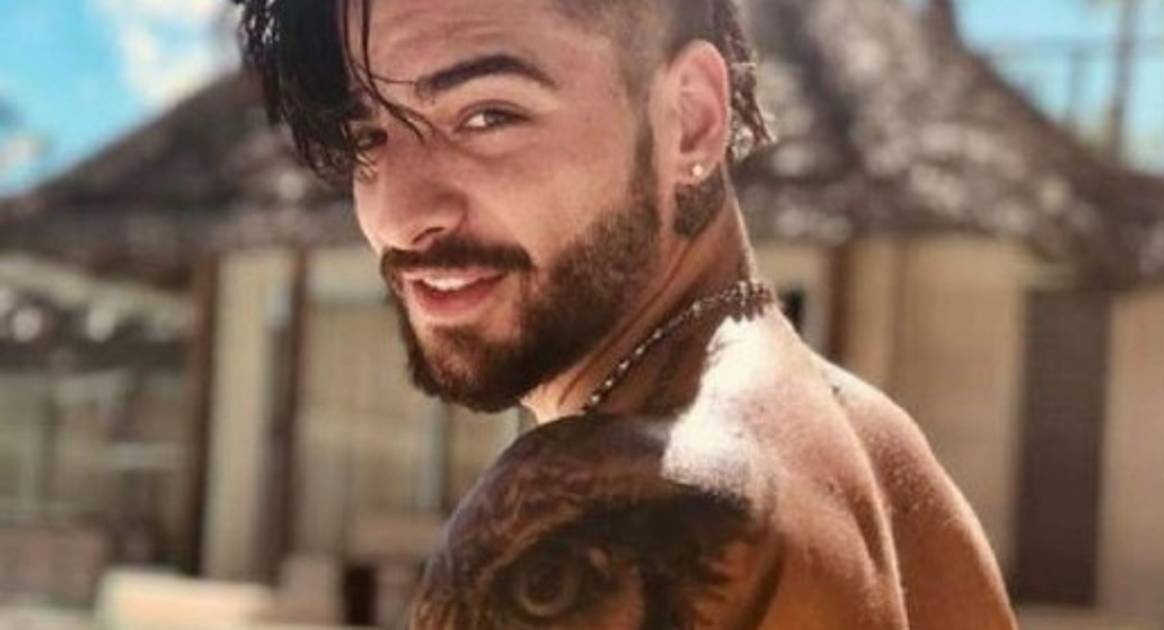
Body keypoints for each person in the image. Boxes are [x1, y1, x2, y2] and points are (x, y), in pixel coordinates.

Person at [234, 0, 1016, 627]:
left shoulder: (603, 511)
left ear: (691, 119)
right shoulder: (881, 455)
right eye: (367, 135)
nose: (400, 215)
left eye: (488, 115)